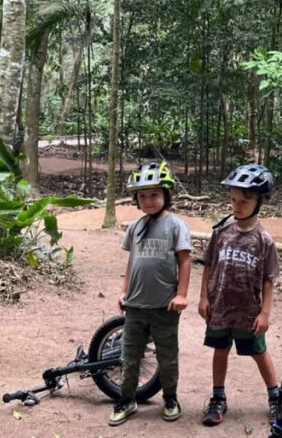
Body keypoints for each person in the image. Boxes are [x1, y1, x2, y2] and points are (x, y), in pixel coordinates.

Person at [108, 161, 192, 427]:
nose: (148, 201)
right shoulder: (135, 227)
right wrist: (123, 292)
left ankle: (170, 397)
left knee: (167, 356)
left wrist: (181, 295)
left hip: (164, 307)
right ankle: (126, 399)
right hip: (135, 306)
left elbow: (185, 261)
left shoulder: (176, 226)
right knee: (129, 356)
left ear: (167, 195)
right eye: (142, 196)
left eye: (154, 194)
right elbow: (132, 261)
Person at [198, 164, 282, 426]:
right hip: (220, 308)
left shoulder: (263, 240)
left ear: (259, 202)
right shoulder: (221, 232)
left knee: (259, 352)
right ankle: (218, 398)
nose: (237, 205)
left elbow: (269, 279)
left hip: (249, 311)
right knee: (219, 350)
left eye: (244, 201)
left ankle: (275, 396)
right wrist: (204, 298)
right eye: (233, 199)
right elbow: (209, 264)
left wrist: (265, 313)